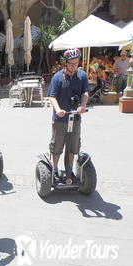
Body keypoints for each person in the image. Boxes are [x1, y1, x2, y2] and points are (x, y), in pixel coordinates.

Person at [48, 48, 88, 185]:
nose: (73, 67)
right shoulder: (57, 77)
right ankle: (54, 169)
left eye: (76, 64)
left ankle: (69, 169)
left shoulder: (82, 75)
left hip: (75, 117)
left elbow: (85, 93)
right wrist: (58, 109)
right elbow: (52, 96)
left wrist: (82, 106)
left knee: (73, 145)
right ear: (65, 63)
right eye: (70, 64)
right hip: (61, 119)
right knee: (57, 145)